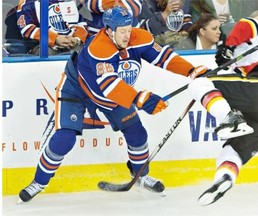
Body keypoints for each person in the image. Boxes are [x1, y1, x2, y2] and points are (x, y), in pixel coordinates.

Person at [18, 6, 209, 203]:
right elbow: (109, 84)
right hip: (76, 89)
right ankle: (39, 182)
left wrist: (191, 70)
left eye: (129, 28)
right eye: (122, 31)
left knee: (137, 133)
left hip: (112, 95)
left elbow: (164, 58)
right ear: (109, 31)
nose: (127, 35)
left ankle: (140, 176)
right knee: (64, 139)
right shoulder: (99, 47)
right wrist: (139, 98)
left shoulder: (138, 37)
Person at [187, 10, 258, 205]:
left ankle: (230, 119)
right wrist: (223, 58)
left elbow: (246, 25)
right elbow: (230, 82)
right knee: (233, 151)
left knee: (198, 84)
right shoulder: (244, 50)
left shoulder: (252, 34)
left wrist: (228, 45)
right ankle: (225, 178)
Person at [16, 0, 88, 55]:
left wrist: (77, 39)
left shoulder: (68, 1)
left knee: (85, 53)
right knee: (47, 54)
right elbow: (26, 29)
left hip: (71, 44)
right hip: (45, 46)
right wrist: (55, 38)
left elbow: (80, 22)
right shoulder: (28, 3)